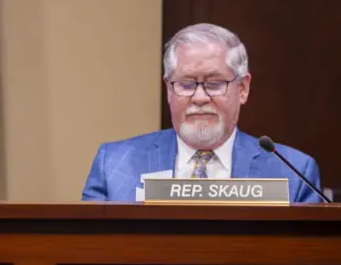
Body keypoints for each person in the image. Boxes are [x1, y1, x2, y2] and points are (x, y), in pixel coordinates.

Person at [82, 23, 322, 203]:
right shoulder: (114, 166)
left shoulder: (295, 173)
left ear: (243, 88)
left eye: (215, 84)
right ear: (168, 89)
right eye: (186, 84)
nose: (199, 98)